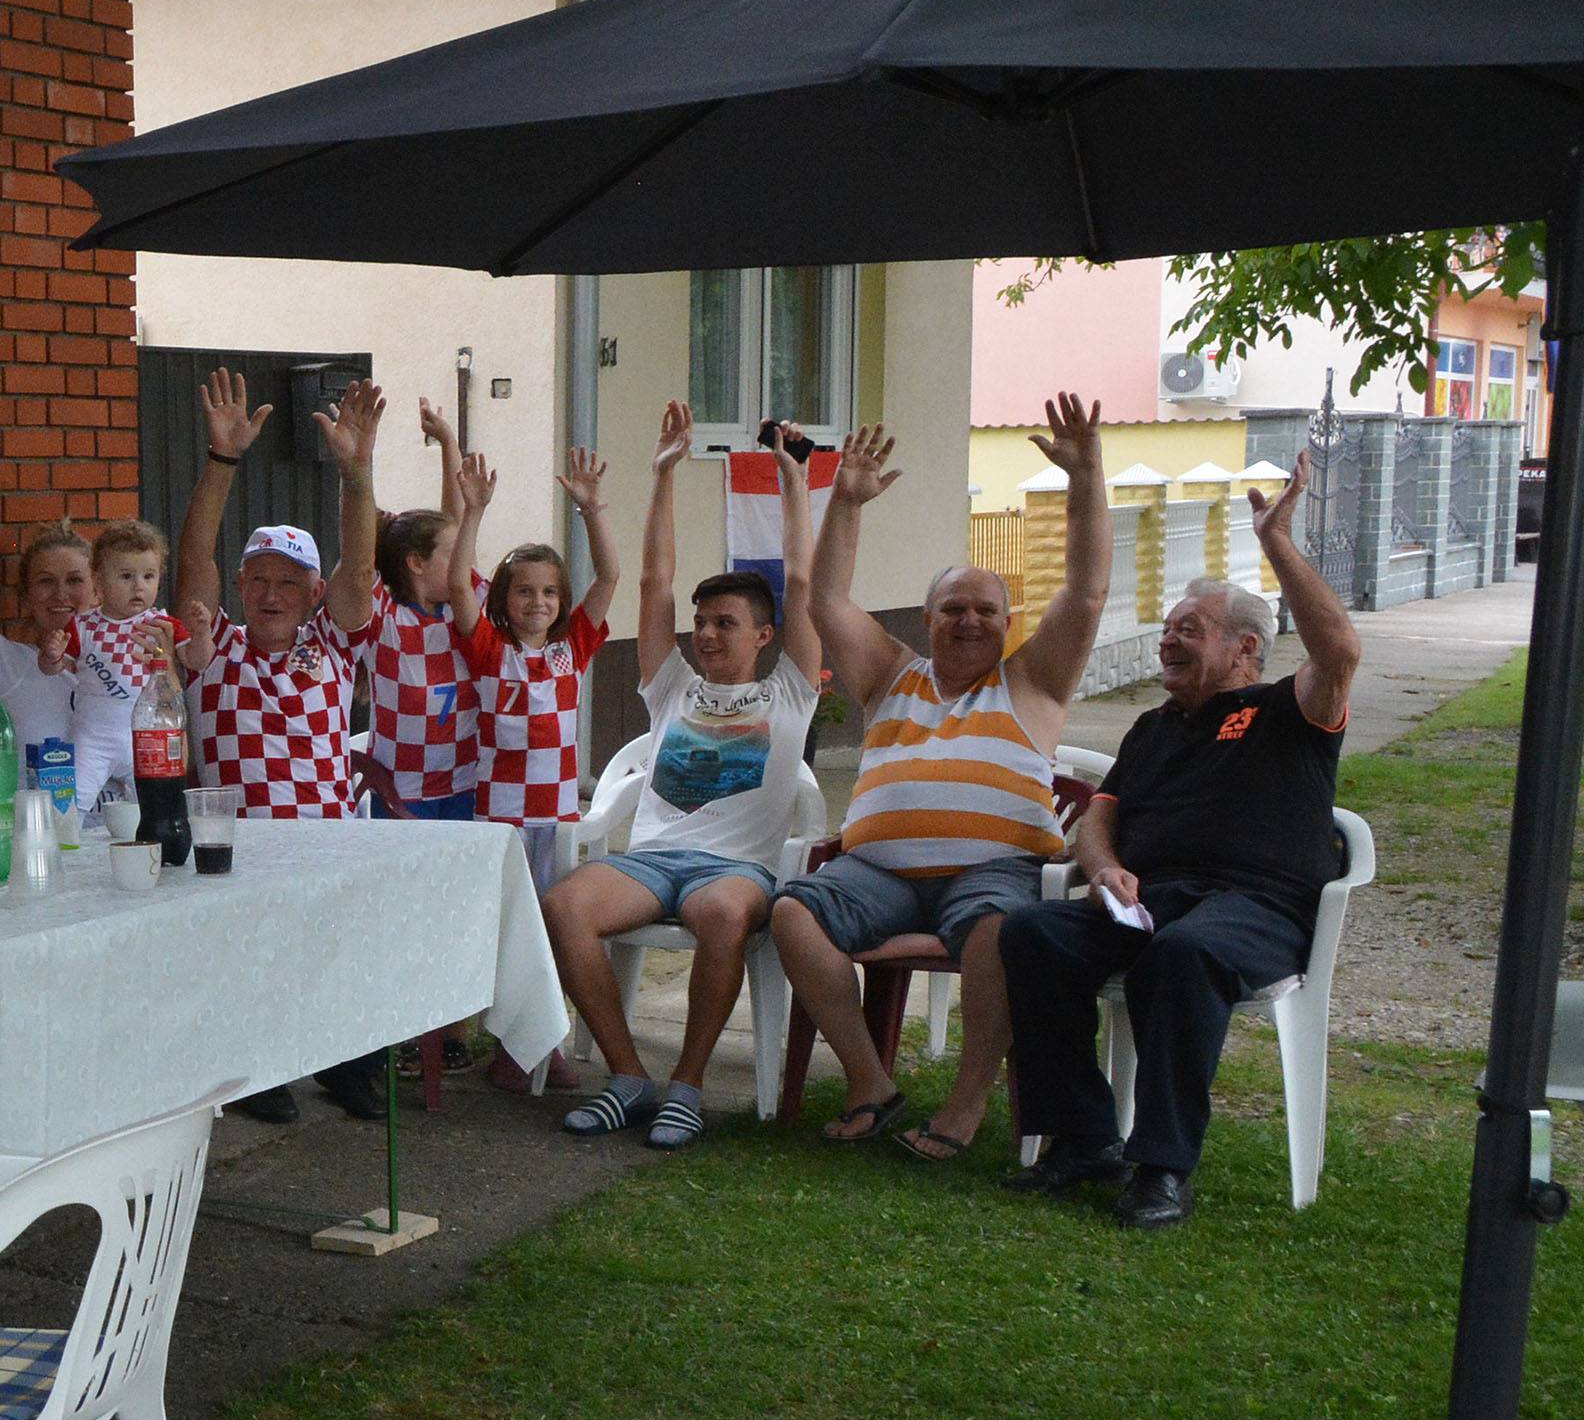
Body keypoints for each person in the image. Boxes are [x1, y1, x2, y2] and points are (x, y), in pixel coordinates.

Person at [999, 451, 1362, 1230]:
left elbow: (1339, 651)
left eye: (1188, 630)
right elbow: (1100, 813)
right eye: (1166, 629)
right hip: (1154, 899)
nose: (1168, 640)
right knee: (1032, 932)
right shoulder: (1152, 726)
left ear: (1244, 650)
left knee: (1184, 953)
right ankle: (1084, 1136)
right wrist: (1103, 869)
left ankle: (1162, 1167)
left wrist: (1277, 544)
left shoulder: (1286, 712)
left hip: (1258, 909)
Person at [769, 393, 1110, 1165]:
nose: (969, 620)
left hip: (992, 875)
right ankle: (871, 1083)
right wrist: (845, 502)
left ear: (1008, 622)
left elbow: (1086, 593)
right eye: (953, 607)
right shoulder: (891, 674)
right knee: (792, 913)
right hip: (876, 875)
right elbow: (824, 598)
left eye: (986, 610)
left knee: (1000, 932)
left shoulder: (1031, 682)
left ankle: (965, 1104)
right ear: (927, 619)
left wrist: (1088, 474)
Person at [540, 404, 819, 1152]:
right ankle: (629, 1077)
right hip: (654, 861)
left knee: (726, 916)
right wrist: (662, 473)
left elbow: (803, 577)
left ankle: (687, 1087)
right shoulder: (672, 686)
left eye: (725, 622)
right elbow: (655, 581)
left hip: (737, 872)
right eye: (703, 621)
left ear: (765, 634)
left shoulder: (789, 690)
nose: (705, 632)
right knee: (564, 903)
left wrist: (793, 483)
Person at [176, 362, 386, 1123]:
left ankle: (346, 1063)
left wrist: (356, 474)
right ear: (239, 587)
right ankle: (255, 1067)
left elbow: (359, 566)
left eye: (289, 582)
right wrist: (223, 458)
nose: (271, 594)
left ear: (314, 594)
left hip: (330, 840)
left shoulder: (331, 642)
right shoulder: (214, 643)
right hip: (241, 845)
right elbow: (192, 561)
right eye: (258, 579)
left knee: (343, 952)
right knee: (248, 954)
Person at [448, 440, 621, 1093]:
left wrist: (591, 510)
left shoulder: (575, 644)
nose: (539, 601)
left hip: (557, 819)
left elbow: (608, 576)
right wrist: (473, 514)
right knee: (507, 937)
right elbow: (457, 582)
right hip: (501, 823)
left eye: (550, 591)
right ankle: (510, 1045)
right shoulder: (488, 649)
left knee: (552, 933)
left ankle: (544, 1046)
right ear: (505, 597)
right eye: (525, 591)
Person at [368, 399, 482, 1077]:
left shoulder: (465, 605)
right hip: (404, 791)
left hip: (465, 785)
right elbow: (399, 541)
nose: (464, 561)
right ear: (414, 563)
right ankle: (407, 1030)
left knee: (458, 909)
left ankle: (456, 1031)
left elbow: (455, 525)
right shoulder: (383, 613)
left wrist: (447, 444)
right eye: (446, 556)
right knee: (408, 914)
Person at [42, 516, 197, 817]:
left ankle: (159, 858)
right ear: (99, 582)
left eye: (149, 576)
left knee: (158, 809)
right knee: (65, 808)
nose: (139, 586)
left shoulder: (162, 623)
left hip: (145, 735)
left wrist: (201, 634)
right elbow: (53, 668)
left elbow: (196, 660)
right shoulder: (82, 626)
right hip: (92, 734)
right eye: (126, 576)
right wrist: (51, 656)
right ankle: (63, 855)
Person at [0, 514, 98, 771]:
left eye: (74, 580)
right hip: (32, 811)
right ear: (25, 596)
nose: (60, 593)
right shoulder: (4, 662)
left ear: (98, 590)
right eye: (46, 581)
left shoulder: (126, 664)